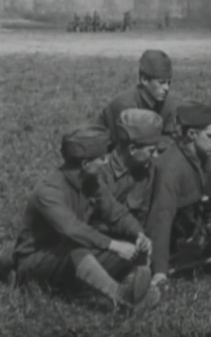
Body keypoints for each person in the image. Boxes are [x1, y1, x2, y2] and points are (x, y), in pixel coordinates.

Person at [11, 124, 158, 310]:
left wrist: (139, 235)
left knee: (131, 249)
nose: (106, 162)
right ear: (85, 164)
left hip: (69, 256)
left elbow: (115, 213)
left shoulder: (92, 181)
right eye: (102, 158)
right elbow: (72, 230)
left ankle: (132, 290)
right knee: (80, 247)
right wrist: (114, 245)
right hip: (34, 262)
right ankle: (120, 300)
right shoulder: (48, 190)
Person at [146, 101, 211, 288]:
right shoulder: (171, 169)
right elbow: (160, 221)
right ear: (192, 135)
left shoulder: (207, 157)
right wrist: (160, 272)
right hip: (164, 235)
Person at [97, 49, 179, 151]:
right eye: (161, 83)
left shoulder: (169, 103)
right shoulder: (124, 106)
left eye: (168, 83)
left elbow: (171, 138)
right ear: (144, 80)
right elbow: (122, 149)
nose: (166, 88)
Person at [99, 109, 163, 225]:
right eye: (151, 151)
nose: (155, 155)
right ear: (132, 149)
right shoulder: (101, 173)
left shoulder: (147, 169)